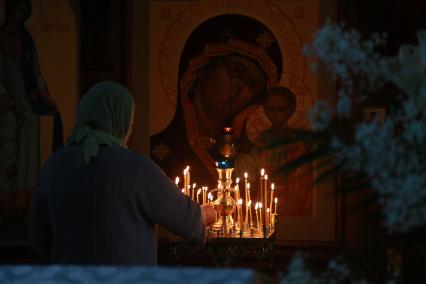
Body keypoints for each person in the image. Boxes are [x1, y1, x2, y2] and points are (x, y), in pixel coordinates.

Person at [29, 82, 216, 265]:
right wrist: (209, 212)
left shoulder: (53, 166)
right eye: (131, 124)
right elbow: (185, 219)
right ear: (120, 121)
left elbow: (38, 240)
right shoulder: (135, 167)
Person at [0, 0, 61, 209]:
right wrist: (6, 99)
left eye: (25, 14)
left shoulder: (27, 40)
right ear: (9, 11)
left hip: (28, 103)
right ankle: (6, 200)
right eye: (18, 11)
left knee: (29, 149)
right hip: (6, 104)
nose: (20, 17)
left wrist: (48, 99)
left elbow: (36, 73)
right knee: (8, 151)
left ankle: (25, 201)